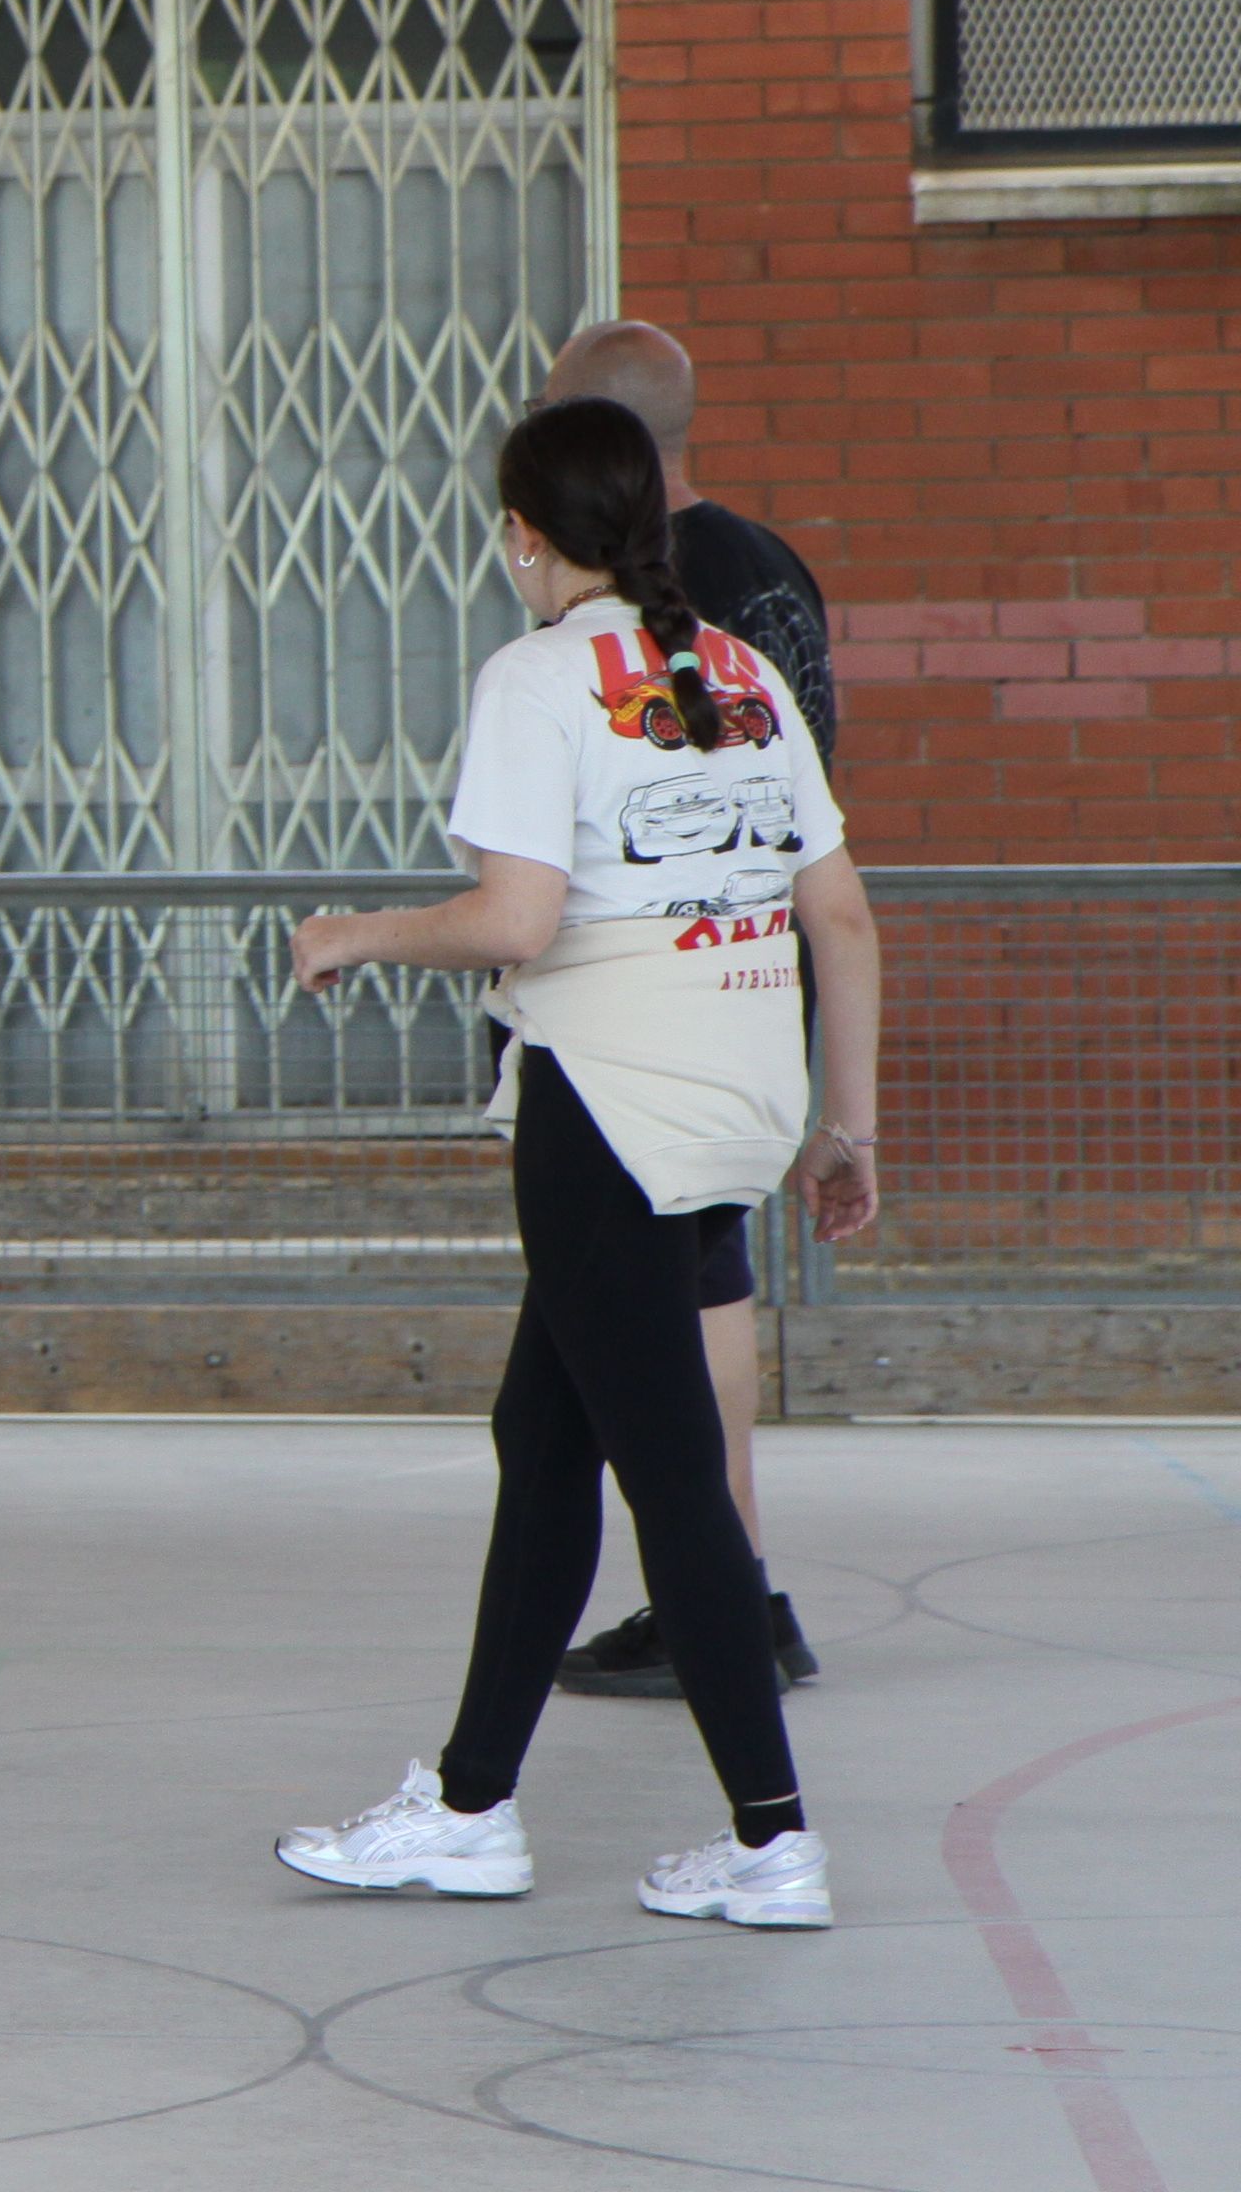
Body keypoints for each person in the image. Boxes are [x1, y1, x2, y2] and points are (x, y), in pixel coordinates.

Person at [275, 395, 881, 1933]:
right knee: (543, 1443)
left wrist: (357, 934)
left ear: (524, 537)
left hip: (603, 1109)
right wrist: (844, 1123)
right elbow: (846, 919)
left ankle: (772, 1838)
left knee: (670, 1476)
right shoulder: (740, 674)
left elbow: (514, 924)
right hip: (738, 1103)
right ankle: (469, 1806)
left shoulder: (537, 677)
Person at [538, 320, 838, 1702]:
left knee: (673, 1310)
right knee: (689, 1300)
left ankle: (726, 1595)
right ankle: (718, 1587)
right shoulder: (775, 565)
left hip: (667, 1009)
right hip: (755, 976)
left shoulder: (658, 595)